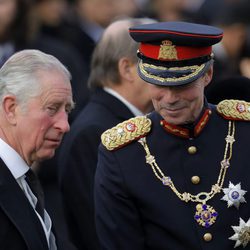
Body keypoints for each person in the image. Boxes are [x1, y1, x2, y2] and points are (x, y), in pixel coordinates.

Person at [94, 21, 250, 249]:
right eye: (157, 84)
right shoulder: (122, 154)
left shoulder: (244, 130)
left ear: (208, 75)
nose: (169, 99)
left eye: (181, 85)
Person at [58, 17, 154, 250]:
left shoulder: (125, 122)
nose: (167, 74)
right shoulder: (95, 133)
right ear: (127, 69)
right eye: (156, 63)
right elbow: (101, 232)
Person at [0, 49, 76, 250]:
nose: (65, 125)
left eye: (67, 110)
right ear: (11, 108)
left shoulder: (24, 177)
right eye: (52, 108)